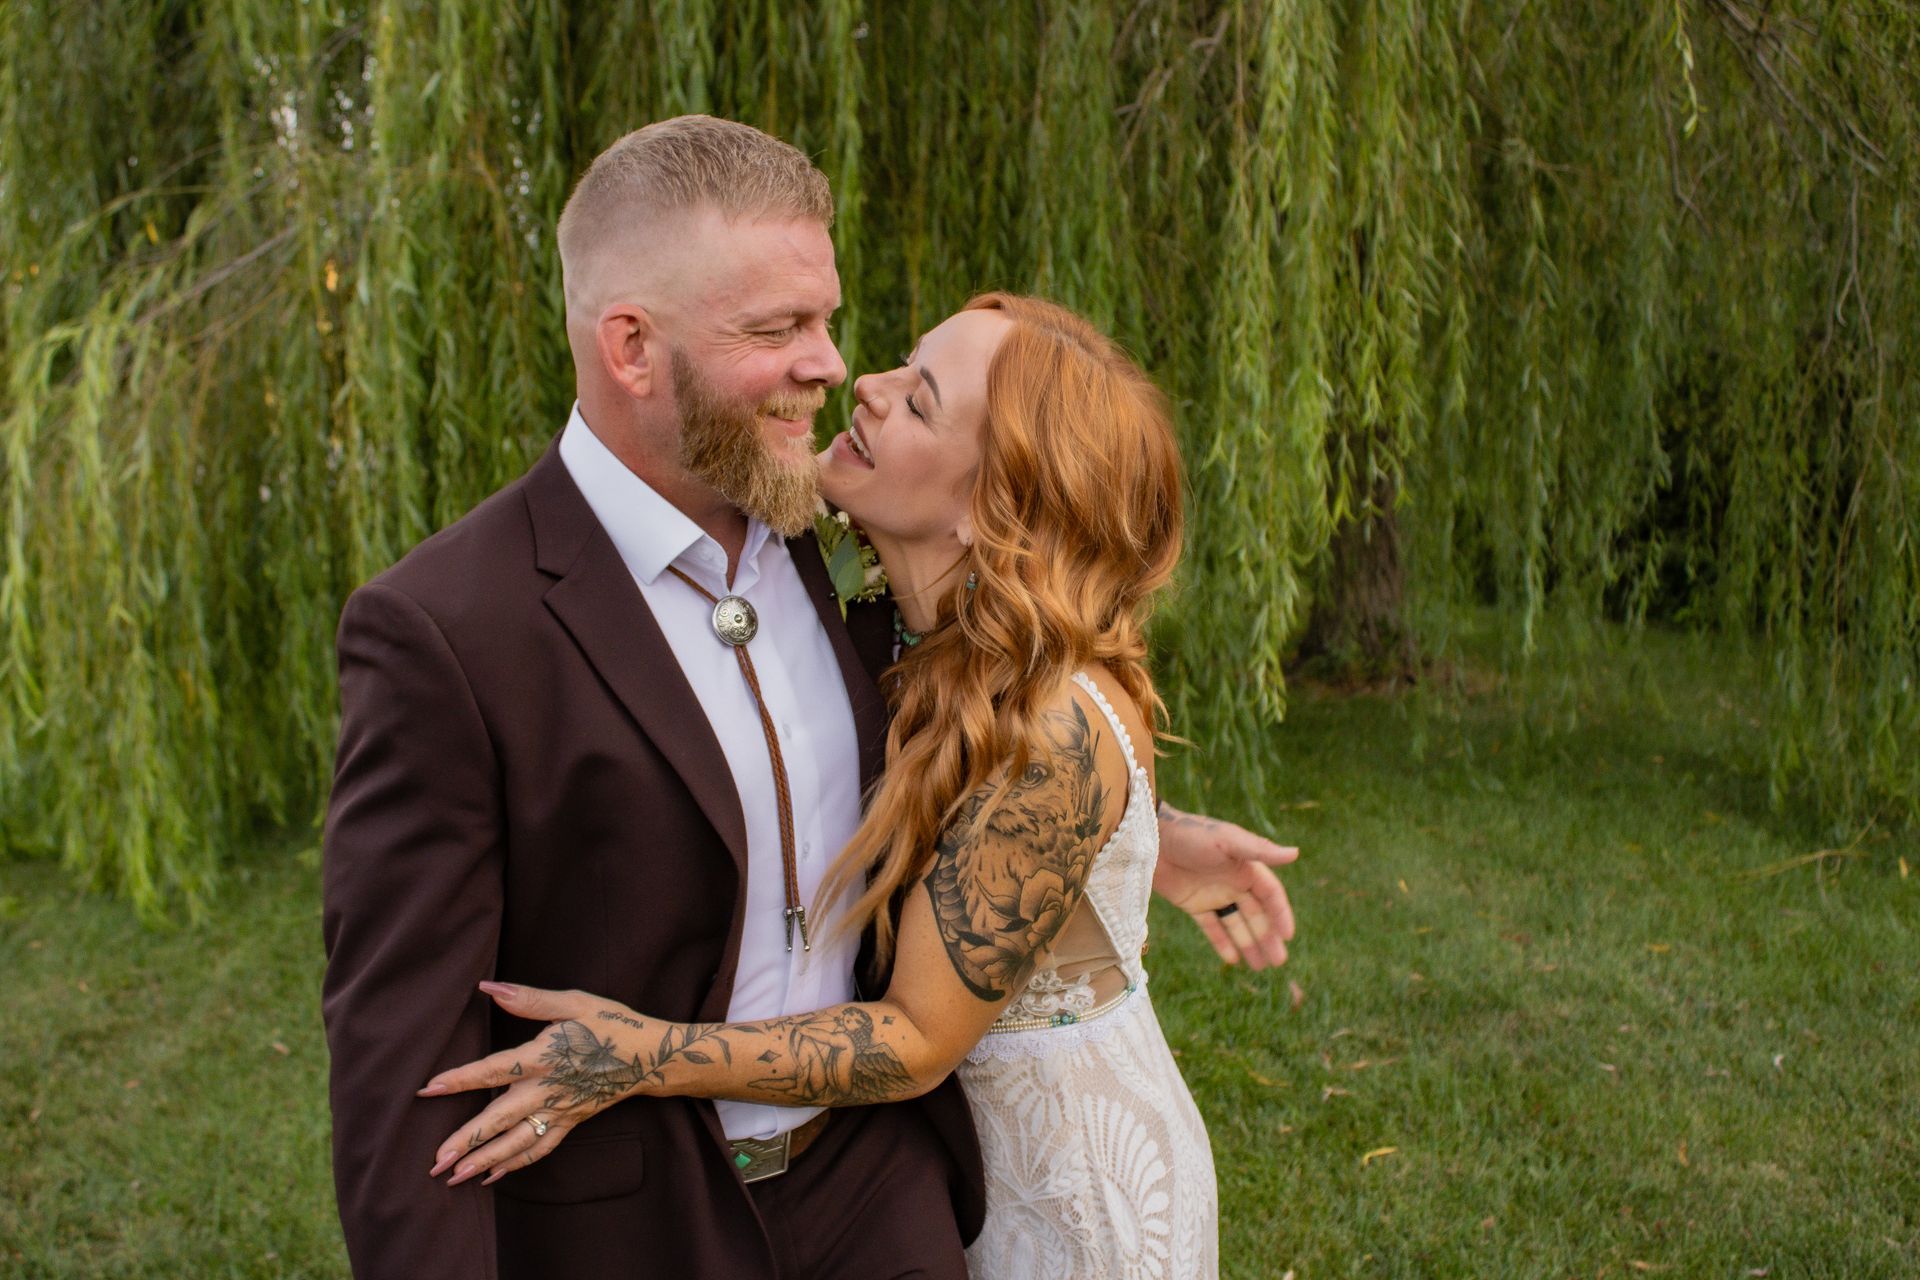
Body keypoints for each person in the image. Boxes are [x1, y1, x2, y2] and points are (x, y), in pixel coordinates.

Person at [322, 115, 1294, 1280]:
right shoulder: (446, 629)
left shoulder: (822, 537)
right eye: (779, 328)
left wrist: (1109, 837)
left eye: (828, 319)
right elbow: (400, 1069)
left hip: (899, 1189)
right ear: (632, 345)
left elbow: (1000, 752)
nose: (837, 367)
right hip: (635, 1227)